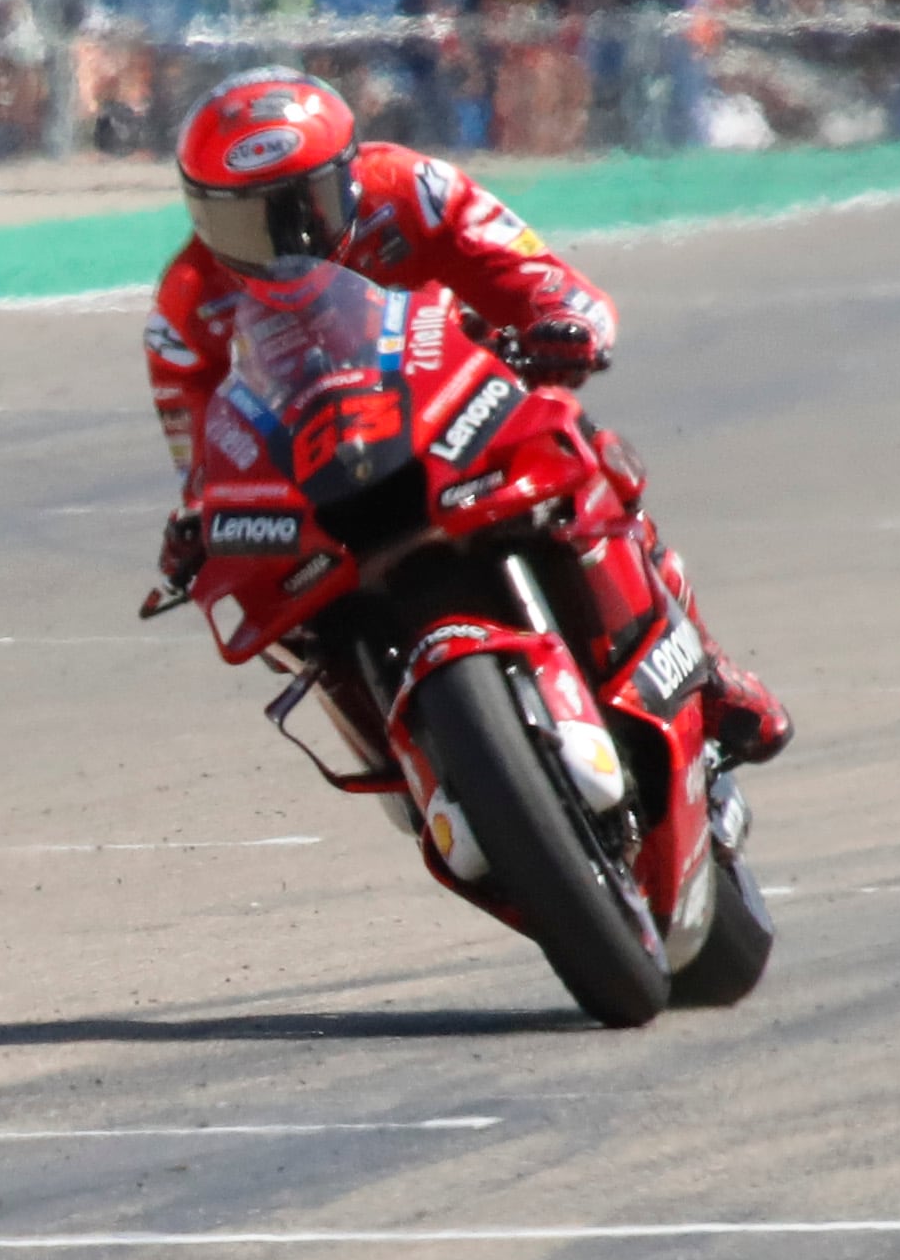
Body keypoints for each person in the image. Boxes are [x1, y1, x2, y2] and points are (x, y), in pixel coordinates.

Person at [144, 69, 790, 764]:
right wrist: (200, 523)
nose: (283, 240)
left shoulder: (412, 189)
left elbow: (539, 276)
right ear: (201, 216)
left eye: (302, 207)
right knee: (268, 600)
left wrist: (564, 324)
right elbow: (203, 455)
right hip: (316, 467)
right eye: (246, 220)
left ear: (348, 177)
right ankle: (389, 731)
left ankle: (704, 665)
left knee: (583, 447)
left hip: (451, 403)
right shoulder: (185, 311)